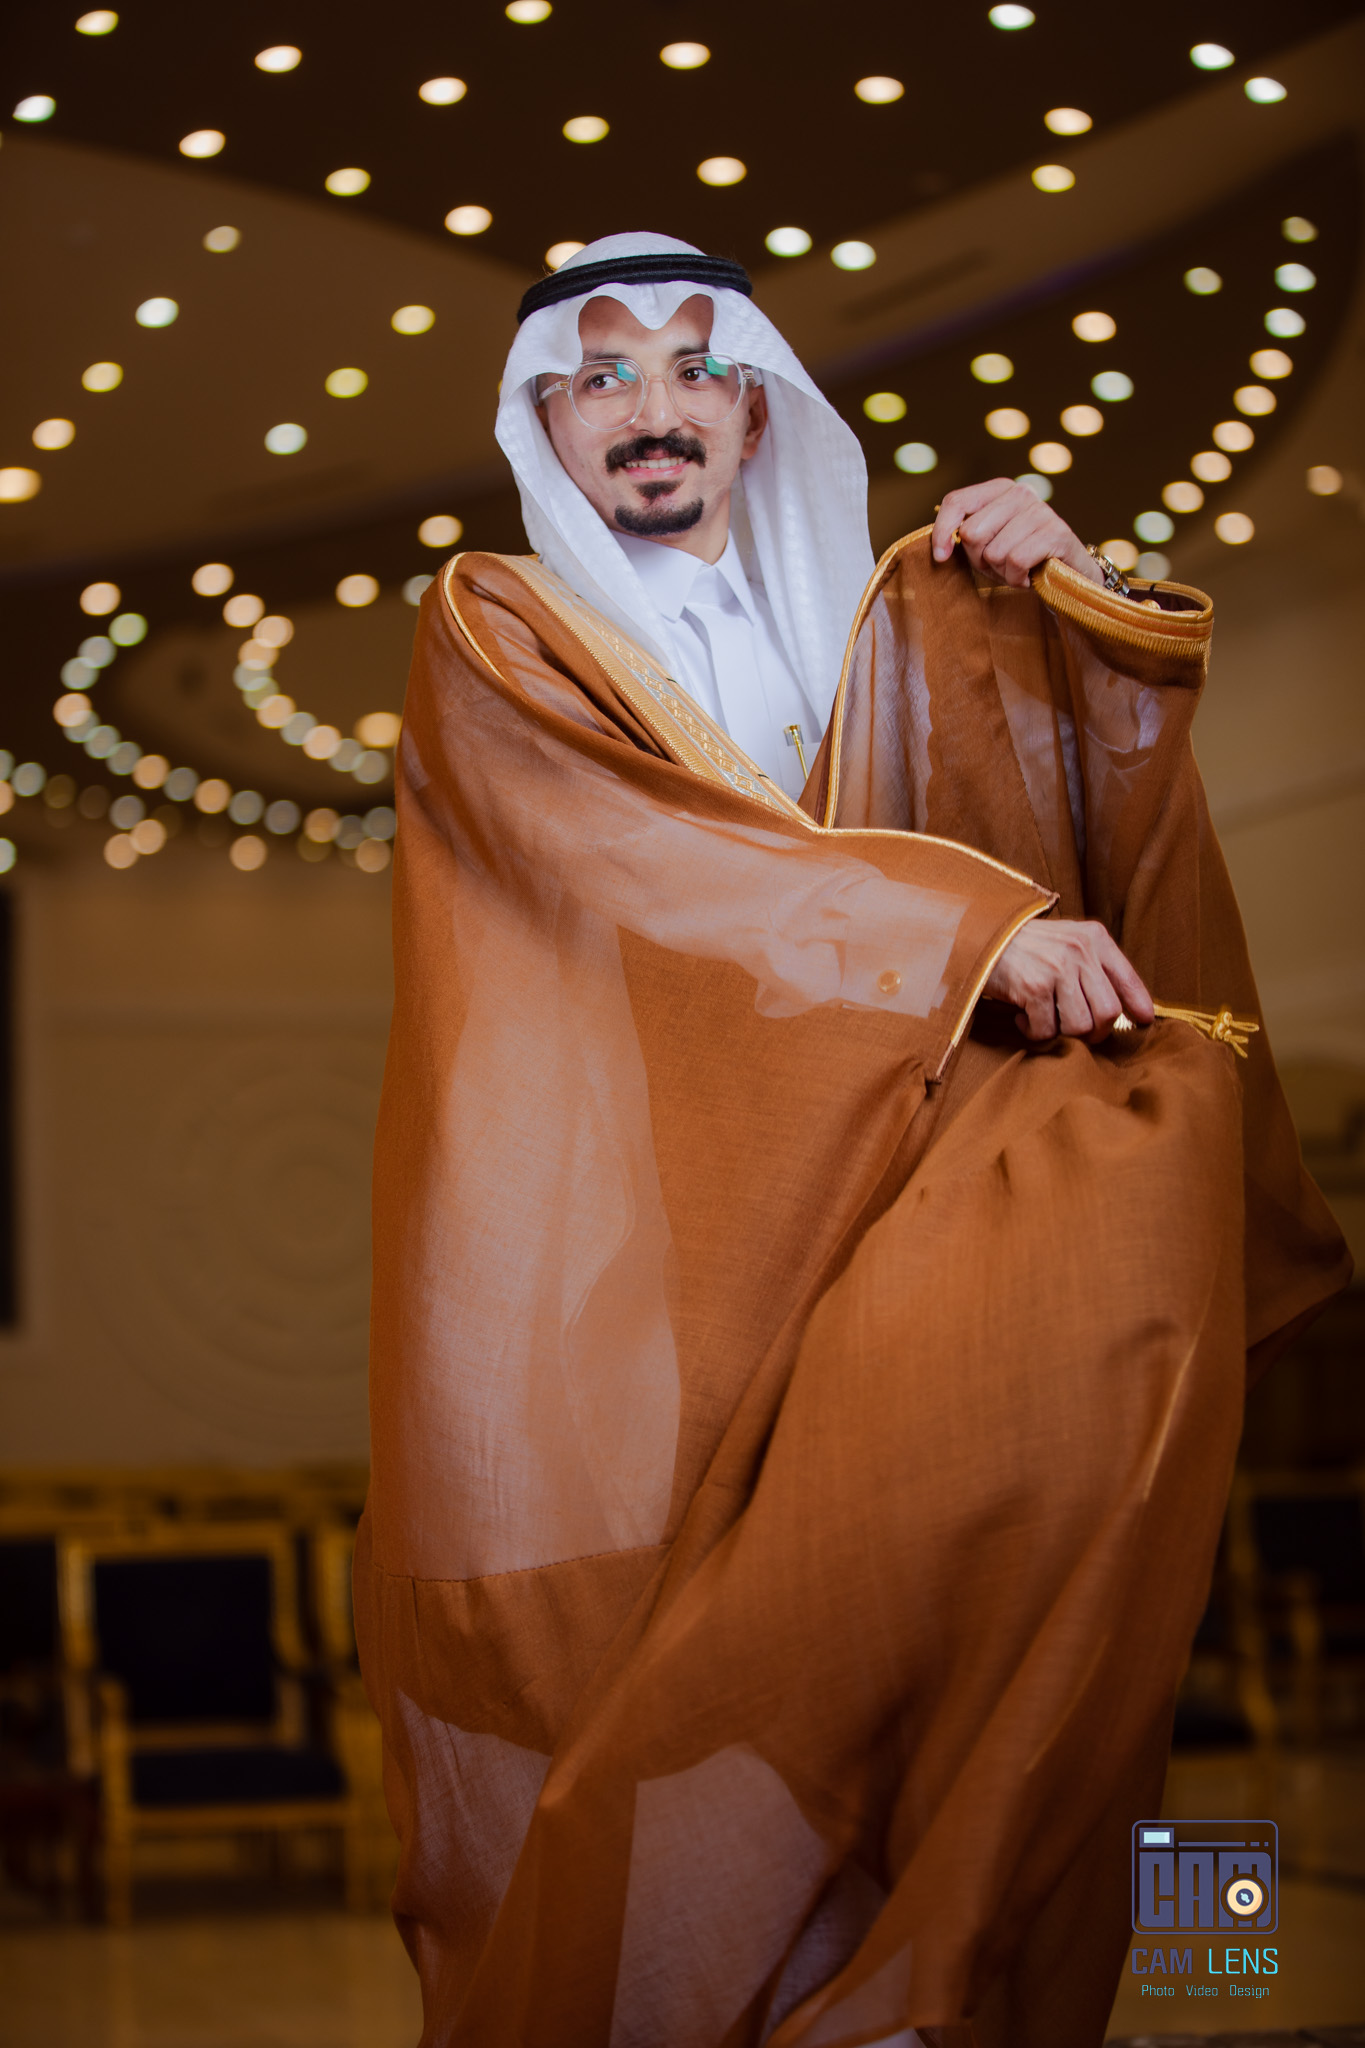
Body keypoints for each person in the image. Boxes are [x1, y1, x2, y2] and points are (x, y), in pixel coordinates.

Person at [356, 233, 1348, 2048]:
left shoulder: (897, 625)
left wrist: (1060, 598)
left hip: (897, 1201)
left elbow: (1079, 827)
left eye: (691, 370)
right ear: (543, 426)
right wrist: (968, 939)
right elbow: (653, 862)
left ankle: (920, 1989)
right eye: (599, 379)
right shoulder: (500, 626)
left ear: (755, 411)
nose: (650, 412)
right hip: (650, 1278)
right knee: (646, 1691)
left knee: (1083, 1329)